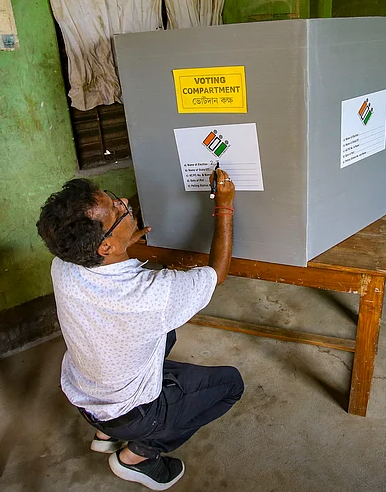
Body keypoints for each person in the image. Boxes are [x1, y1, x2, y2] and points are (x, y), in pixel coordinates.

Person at [36, 169, 243, 490]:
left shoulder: (63, 263)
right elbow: (217, 273)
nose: (124, 203)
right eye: (117, 211)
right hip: (135, 414)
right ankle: (139, 456)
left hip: (85, 392)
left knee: (166, 332)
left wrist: (122, 244)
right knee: (230, 385)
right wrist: (225, 206)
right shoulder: (150, 295)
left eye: (113, 199)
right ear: (104, 247)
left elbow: (109, 268)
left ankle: (106, 434)